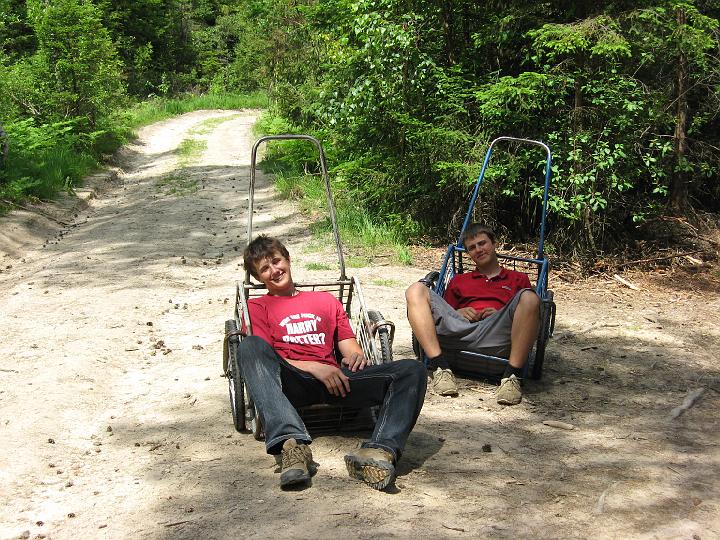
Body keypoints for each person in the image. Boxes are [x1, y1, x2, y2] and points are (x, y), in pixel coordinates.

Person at [238, 235, 427, 491]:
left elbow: (348, 344)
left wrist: (354, 356)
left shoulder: (325, 300)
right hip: (292, 382)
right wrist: (314, 367)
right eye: (264, 269)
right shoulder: (258, 306)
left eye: (276, 261)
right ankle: (291, 446)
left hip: (337, 381)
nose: (274, 270)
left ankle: (380, 451)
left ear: (288, 259)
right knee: (249, 346)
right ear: (259, 278)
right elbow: (264, 356)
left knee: (412, 369)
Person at [405, 223, 540, 405]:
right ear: (468, 253)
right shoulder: (459, 280)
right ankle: (440, 367)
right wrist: (458, 311)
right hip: (460, 330)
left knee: (530, 298)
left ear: (494, 244)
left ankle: (511, 377)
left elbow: (526, 312)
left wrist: (501, 313)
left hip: (497, 332)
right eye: (472, 248)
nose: (478, 250)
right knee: (415, 289)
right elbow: (444, 314)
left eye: (482, 243)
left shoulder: (518, 279)